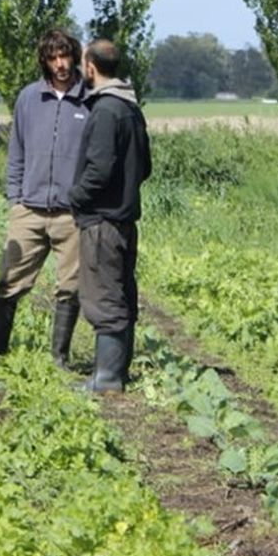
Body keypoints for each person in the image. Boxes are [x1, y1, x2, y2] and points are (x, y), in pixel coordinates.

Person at [0, 28, 89, 371]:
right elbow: (17, 152)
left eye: (65, 56)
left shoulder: (90, 98)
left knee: (70, 286)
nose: (60, 64)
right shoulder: (29, 98)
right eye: (53, 58)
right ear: (44, 61)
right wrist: (16, 199)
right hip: (29, 208)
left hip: (72, 213)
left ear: (74, 56)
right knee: (8, 282)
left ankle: (59, 358)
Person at [69, 38, 152, 392]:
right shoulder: (131, 107)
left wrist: (76, 196)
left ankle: (106, 377)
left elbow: (98, 170)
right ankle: (115, 372)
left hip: (102, 220)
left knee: (103, 296)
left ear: (90, 66)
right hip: (124, 220)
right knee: (121, 292)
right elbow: (145, 167)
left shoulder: (105, 110)